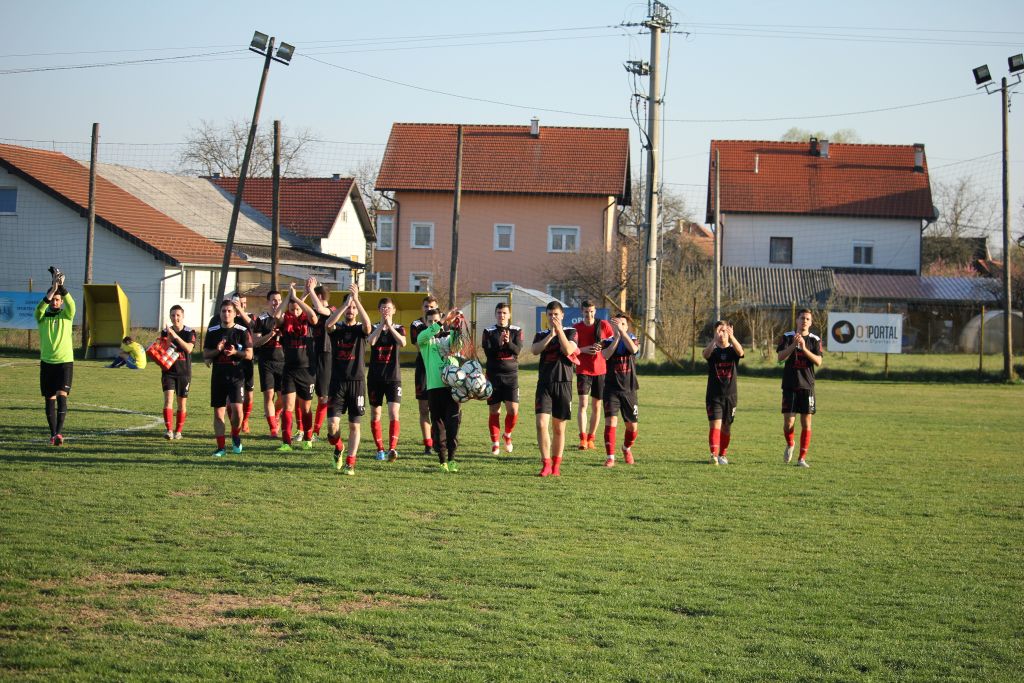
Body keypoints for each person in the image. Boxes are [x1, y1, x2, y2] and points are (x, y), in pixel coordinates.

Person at [324, 283, 372, 475]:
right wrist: (346, 303)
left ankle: (350, 463)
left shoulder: (361, 329)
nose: (351, 310)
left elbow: (368, 326)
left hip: (357, 383)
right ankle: (339, 447)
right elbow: (328, 325)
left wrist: (357, 300)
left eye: (353, 308)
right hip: (337, 382)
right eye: (348, 307)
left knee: (354, 425)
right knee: (332, 426)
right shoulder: (337, 329)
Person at [532, 301, 579, 477]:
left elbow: (568, 350)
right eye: (550, 315)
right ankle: (546, 464)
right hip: (544, 384)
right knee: (541, 424)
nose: (553, 318)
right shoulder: (541, 334)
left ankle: (556, 465)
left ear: (562, 315)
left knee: (559, 428)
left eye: (556, 315)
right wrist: (550, 335)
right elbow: (535, 350)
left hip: (563, 383)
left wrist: (559, 333)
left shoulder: (571, 332)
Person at [274, 281, 320, 452]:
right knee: (288, 407)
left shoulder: (307, 320)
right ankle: (286, 442)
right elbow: (277, 316)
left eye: (297, 309)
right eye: (292, 309)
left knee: (306, 407)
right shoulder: (286, 320)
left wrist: (300, 300)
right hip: (290, 370)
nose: (294, 311)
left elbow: (313, 316)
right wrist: (289, 296)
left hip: (308, 370)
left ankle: (308, 437)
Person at [203, 299, 253, 457]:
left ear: (235, 313)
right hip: (218, 377)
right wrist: (217, 350)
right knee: (218, 414)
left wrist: (235, 353)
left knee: (238, 412)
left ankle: (235, 434)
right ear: (220, 313)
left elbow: (250, 355)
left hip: (236, 377)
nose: (226, 314)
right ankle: (221, 447)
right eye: (223, 311)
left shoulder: (242, 331)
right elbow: (206, 355)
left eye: (229, 311)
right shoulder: (212, 331)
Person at [418, 307, 464, 472]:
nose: (434, 324)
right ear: (426, 322)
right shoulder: (425, 342)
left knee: (453, 425)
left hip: (452, 389)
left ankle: (452, 459)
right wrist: (442, 321)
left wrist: (457, 326)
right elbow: (423, 336)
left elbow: (458, 343)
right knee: (438, 427)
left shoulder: (448, 338)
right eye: (430, 321)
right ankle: (442, 460)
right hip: (434, 389)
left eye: (436, 320)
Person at [777, 308, 824, 468]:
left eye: (807, 319)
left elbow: (818, 361)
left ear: (811, 323)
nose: (804, 321)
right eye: (802, 318)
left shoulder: (815, 340)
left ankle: (801, 459)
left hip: (807, 386)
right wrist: (793, 346)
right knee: (788, 423)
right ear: (796, 320)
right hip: (790, 385)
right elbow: (780, 358)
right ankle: (790, 444)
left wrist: (804, 348)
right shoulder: (787, 337)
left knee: (806, 423)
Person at [35, 267, 75, 446]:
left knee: (61, 396)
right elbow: (39, 309)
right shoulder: (42, 317)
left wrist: (61, 287)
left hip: (64, 363)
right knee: (49, 399)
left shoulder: (67, 315)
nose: (55, 302)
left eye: (58, 299)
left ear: (61, 301)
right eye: (53, 299)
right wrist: (52, 289)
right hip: (47, 363)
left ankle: (59, 433)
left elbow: (72, 304)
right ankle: (52, 434)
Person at [367, 297, 406, 462]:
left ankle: (392, 449)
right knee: (376, 414)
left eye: (389, 308)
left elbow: (403, 342)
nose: (386, 311)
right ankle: (380, 449)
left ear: (394, 310)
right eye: (383, 308)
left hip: (393, 378)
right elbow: (371, 342)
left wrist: (389, 326)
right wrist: (382, 326)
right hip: (375, 378)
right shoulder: (374, 327)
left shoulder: (399, 328)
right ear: (379, 310)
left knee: (393, 412)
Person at [481, 302, 522, 456]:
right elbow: (488, 354)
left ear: (509, 315)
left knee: (513, 410)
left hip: (511, 377)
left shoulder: (516, 330)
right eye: (499, 312)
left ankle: (508, 435)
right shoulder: (488, 331)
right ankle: (495, 443)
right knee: (494, 410)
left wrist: (508, 343)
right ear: (495, 314)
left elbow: (517, 350)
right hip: (493, 376)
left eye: (504, 313)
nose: (502, 315)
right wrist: (499, 344)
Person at [600, 312, 640, 467]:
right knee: (611, 422)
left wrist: (623, 333)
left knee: (632, 426)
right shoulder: (607, 341)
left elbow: (634, 350)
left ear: (627, 326)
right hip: (611, 389)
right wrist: (617, 337)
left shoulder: (632, 338)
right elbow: (606, 355)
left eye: (623, 324)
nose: (620, 327)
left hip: (629, 389)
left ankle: (626, 448)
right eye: (617, 324)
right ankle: (610, 457)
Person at [573, 301, 613, 451]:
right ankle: (582, 438)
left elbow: (611, 341)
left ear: (595, 311)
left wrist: (601, 345)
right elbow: (571, 348)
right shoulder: (576, 329)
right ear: (581, 312)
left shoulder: (603, 325)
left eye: (591, 311)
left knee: (597, 405)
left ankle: (591, 438)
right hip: (583, 370)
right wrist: (584, 349)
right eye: (585, 312)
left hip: (601, 370)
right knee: (583, 404)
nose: (588, 314)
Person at [703, 320, 744, 466]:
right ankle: (713, 455)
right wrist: (714, 339)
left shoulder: (733, 350)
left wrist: (732, 337)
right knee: (715, 425)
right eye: (719, 331)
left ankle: (723, 454)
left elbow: (741, 352)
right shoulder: (713, 350)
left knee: (726, 427)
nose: (722, 334)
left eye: (724, 330)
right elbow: (705, 354)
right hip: (714, 395)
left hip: (730, 395)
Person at [250, 290, 285, 437]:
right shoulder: (261, 320)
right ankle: (273, 429)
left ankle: (276, 413)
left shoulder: (285, 318)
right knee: (269, 395)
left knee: (282, 397)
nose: (276, 302)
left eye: (278, 299)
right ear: (268, 302)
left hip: (283, 362)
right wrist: (270, 335)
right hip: (266, 362)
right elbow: (255, 342)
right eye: (273, 300)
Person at [160, 305, 196, 440]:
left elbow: (189, 349)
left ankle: (178, 431)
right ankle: (169, 430)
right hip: (168, 371)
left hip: (184, 372)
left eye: (178, 315)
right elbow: (163, 350)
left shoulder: (189, 332)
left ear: (182, 316)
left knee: (182, 403)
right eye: (173, 315)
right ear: (170, 317)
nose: (175, 318)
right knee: (168, 400)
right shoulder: (165, 331)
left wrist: (175, 336)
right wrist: (168, 338)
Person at [410, 294, 439, 455]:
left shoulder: (441, 325)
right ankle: (427, 443)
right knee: (423, 408)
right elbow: (419, 345)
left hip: (438, 370)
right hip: (423, 368)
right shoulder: (416, 324)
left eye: (432, 307)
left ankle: (437, 439)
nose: (429, 309)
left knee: (437, 408)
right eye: (426, 307)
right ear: (422, 308)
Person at [309, 283, 335, 440]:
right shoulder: (312, 312)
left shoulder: (331, 310)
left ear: (318, 297)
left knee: (323, 396)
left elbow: (320, 310)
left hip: (326, 355)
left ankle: (316, 431)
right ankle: (302, 430)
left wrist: (310, 290)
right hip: (309, 354)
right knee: (303, 395)